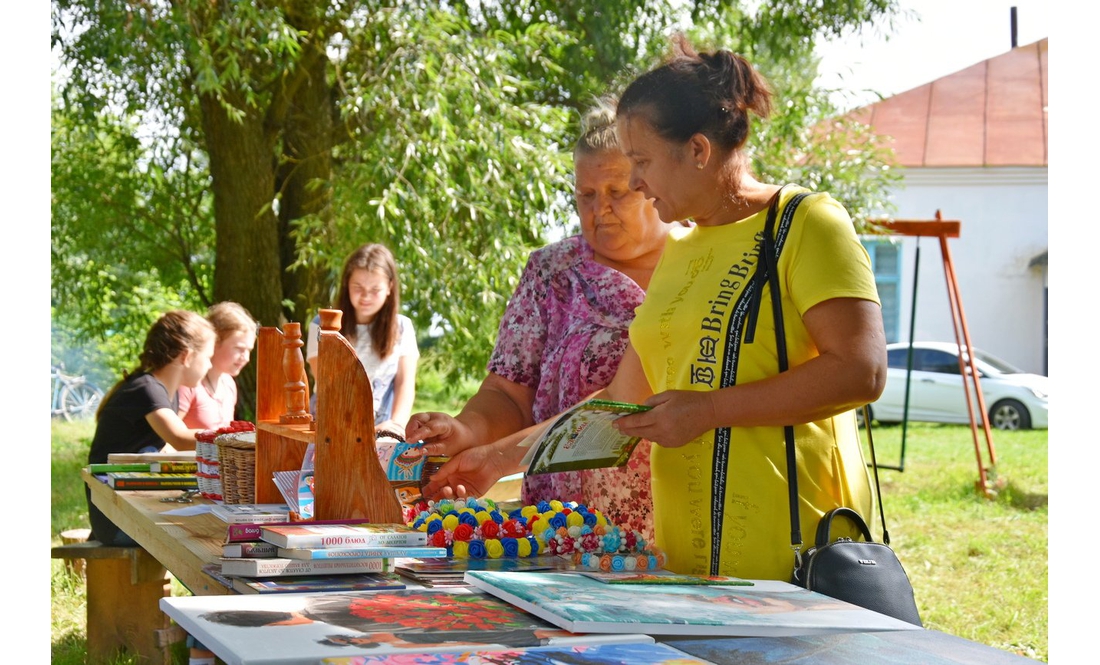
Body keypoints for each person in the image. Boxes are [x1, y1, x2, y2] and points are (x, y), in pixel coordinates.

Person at [422, 37, 887, 581]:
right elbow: (622, 403)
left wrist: (707, 410)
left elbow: (861, 369)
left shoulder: (805, 222)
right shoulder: (682, 254)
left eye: (640, 161)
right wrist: (496, 459)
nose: (636, 181)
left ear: (696, 150)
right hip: (682, 569)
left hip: (792, 562)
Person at [405, 97, 670, 542]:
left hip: (668, 526)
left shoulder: (695, 266)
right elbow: (509, 393)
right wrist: (466, 430)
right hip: (555, 527)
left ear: (651, 183)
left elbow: (628, 402)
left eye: (616, 192)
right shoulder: (552, 273)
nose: (598, 209)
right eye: (585, 195)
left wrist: (498, 458)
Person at [86, 310, 216, 546]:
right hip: (116, 520)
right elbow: (179, 438)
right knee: (207, 534)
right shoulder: (146, 389)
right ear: (186, 357)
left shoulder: (164, 393)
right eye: (207, 357)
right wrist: (232, 436)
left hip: (127, 511)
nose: (209, 365)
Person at [306, 243, 419, 434]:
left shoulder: (402, 327)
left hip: (382, 430)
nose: (366, 296)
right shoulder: (321, 324)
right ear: (346, 284)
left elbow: (405, 383)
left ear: (390, 287)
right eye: (358, 287)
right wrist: (357, 431)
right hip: (331, 427)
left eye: (375, 289)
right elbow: (327, 386)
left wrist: (396, 426)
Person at [178, 301, 258, 429]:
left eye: (249, 350)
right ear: (214, 342)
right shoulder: (188, 384)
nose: (246, 358)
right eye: (239, 348)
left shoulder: (228, 384)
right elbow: (164, 440)